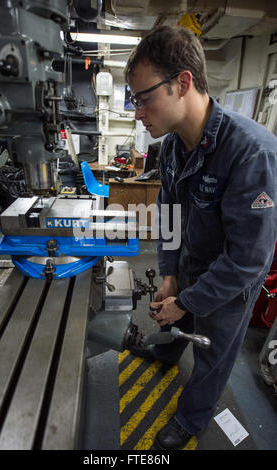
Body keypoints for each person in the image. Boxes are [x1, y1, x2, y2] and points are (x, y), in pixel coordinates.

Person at [124, 25, 277, 450]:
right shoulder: (172, 147)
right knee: (178, 318)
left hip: (230, 283)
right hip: (191, 261)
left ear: (182, 83)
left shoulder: (251, 152)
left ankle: (190, 420)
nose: (137, 111)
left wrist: (186, 301)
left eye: (143, 97)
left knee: (211, 357)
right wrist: (171, 275)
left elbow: (247, 260)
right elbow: (170, 212)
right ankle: (169, 352)